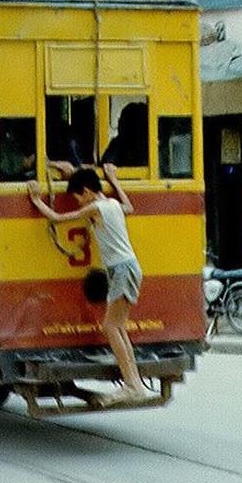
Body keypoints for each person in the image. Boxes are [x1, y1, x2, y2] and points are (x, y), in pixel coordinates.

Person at [28, 164, 154, 405]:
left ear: (86, 191)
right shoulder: (113, 205)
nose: (78, 204)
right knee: (117, 327)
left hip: (120, 269)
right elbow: (130, 206)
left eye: (77, 198)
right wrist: (114, 180)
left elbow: (58, 218)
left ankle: (132, 385)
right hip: (130, 267)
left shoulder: (95, 207)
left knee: (111, 327)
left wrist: (36, 199)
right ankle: (134, 383)